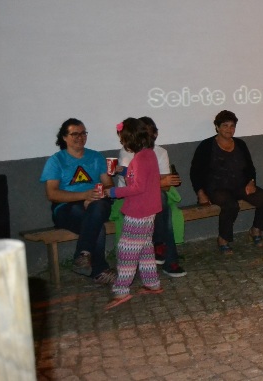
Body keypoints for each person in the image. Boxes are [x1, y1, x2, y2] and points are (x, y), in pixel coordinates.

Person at [39, 118, 116, 285]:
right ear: (64, 137)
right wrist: (83, 196)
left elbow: (109, 184)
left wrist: (96, 195)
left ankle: (83, 254)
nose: (80, 137)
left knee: (97, 209)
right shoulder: (56, 160)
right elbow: (52, 194)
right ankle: (99, 270)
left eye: (83, 133)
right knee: (96, 225)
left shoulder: (96, 157)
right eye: (75, 134)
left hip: (96, 203)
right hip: (66, 208)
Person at [190, 110, 263, 254]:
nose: (229, 129)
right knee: (231, 205)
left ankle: (255, 230)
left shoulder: (240, 144)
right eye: (225, 125)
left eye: (232, 126)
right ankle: (223, 239)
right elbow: (195, 172)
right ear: (217, 127)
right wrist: (200, 193)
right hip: (216, 188)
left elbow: (250, 168)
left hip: (240, 185)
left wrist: (251, 182)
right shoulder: (206, 146)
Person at [116, 117, 186, 278]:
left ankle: (159, 253)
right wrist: (159, 181)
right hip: (130, 197)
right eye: (144, 133)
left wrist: (158, 182)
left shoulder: (157, 153)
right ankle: (165, 254)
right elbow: (133, 184)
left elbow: (164, 185)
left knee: (160, 198)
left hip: (147, 197)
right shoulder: (128, 151)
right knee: (160, 200)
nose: (148, 137)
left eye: (151, 133)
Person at [104, 118, 163, 310]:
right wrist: (123, 171)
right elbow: (140, 177)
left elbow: (138, 186)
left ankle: (121, 290)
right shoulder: (147, 154)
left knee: (127, 250)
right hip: (148, 209)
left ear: (131, 138)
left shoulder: (141, 158)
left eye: (123, 139)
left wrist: (113, 192)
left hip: (139, 210)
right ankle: (152, 283)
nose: (122, 142)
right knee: (145, 247)